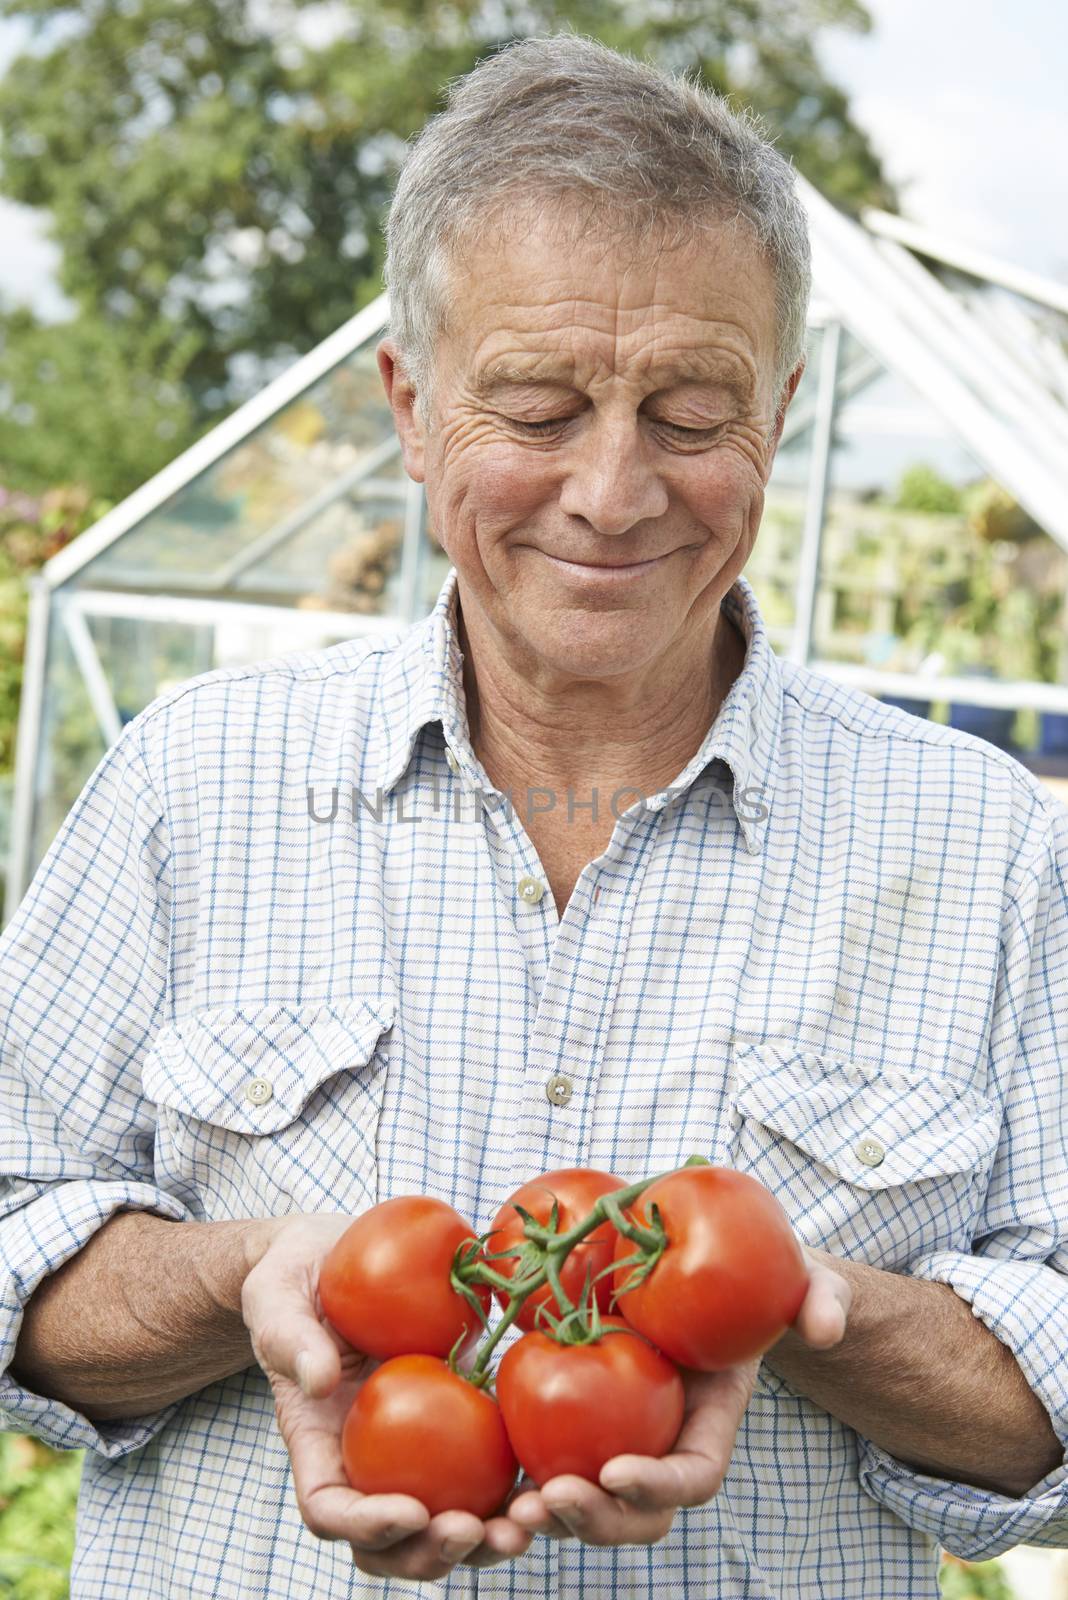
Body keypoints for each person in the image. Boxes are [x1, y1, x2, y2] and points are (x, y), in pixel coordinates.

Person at [1, 29, 1067, 1599]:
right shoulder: (191, 780)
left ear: (779, 407)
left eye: (692, 412)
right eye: (540, 405)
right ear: (408, 403)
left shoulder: (988, 847)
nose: (615, 490)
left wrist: (791, 1310)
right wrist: (246, 1279)